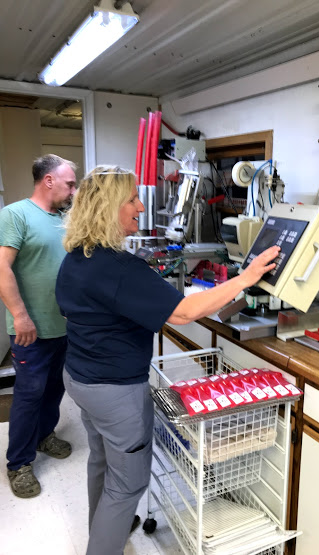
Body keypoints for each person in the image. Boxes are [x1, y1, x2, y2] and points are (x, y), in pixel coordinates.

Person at [55, 165, 280, 555]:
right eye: (131, 200)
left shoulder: (78, 257)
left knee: (103, 462)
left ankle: (109, 524)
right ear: (109, 208)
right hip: (115, 390)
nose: (140, 207)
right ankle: (107, 538)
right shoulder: (119, 268)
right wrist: (244, 279)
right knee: (127, 485)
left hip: (79, 378)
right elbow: (183, 313)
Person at [0, 154, 77, 498]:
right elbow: (1, 268)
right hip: (31, 328)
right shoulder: (16, 215)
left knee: (55, 389)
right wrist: (20, 316)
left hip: (65, 326)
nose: (73, 189)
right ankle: (18, 463)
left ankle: (45, 435)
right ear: (48, 180)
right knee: (29, 395)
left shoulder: (63, 218)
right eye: (69, 183)